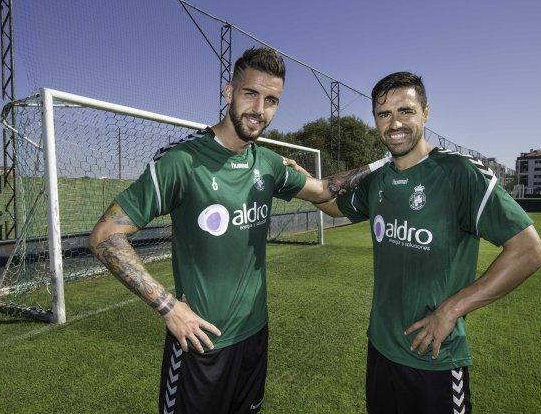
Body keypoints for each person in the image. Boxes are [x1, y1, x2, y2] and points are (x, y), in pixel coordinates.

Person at [88, 47, 384, 414]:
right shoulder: (182, 161)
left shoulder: (270, 164)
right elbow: (105, 235)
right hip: (201, 342)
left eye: (271, 100)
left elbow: (324, 191)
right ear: (228, 91)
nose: (259, 109)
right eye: (250, 94)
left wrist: (384, 163)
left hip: (255, 333)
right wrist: (168, 307)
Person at [314, 72, 541, 413]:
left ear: (426, 112)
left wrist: (451, 310)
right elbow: (333, 205)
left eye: (405, 111)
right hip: (380, 350)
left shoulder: (459, 173)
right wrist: (296, 180)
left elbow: (530, 251)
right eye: (384, 114)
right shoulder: (378, 180)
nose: (395, 123)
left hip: (434, 359)